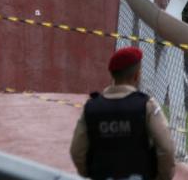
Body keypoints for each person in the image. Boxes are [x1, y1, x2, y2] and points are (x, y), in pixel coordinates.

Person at [70, 46, 176, 180]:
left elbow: (77, 151)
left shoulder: (91, 108)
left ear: (112, 74)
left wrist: (89, 172)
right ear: (137, 75)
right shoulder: (147, 106)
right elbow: (166, 149)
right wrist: (162, 177)